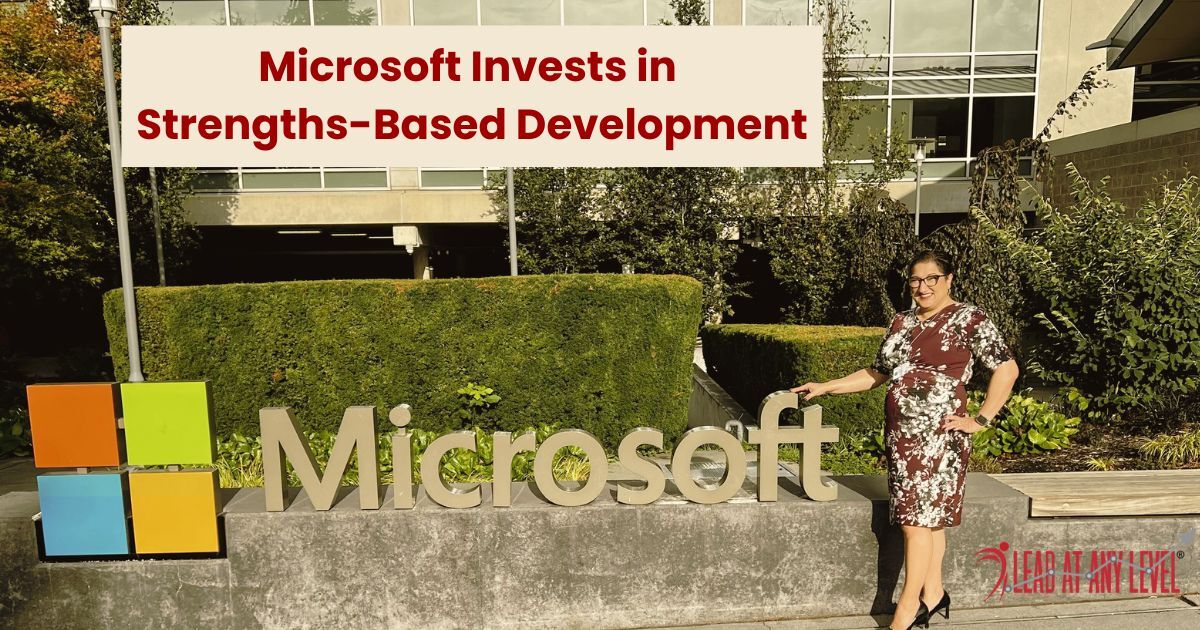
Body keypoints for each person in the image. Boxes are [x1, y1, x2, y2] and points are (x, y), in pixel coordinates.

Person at [791, 250, 1019, 630]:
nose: (922, 286)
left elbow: (1007, 369)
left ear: (948, 280)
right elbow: (876, 373)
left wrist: (980, 419)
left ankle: (906, 611)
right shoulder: (902, 321)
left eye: (931, 279)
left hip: (939, 436)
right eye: (915, 279)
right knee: (928, 523)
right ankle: (934, 594)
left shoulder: (969, 318)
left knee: (915, 523)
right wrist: (827, 387)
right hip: (901, 436)